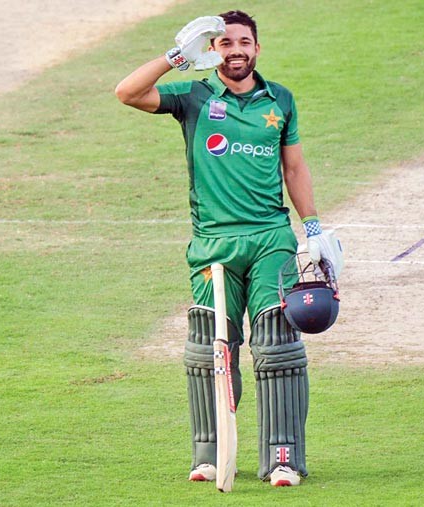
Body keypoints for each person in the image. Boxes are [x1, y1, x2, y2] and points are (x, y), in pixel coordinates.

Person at [115, 10, 338, 487]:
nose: (236, 50)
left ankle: (283, 458)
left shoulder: (280, 100)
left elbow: (294, 168)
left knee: (277, 345)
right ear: (212, 50)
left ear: (257, 48)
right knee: (209, 348)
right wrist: (175, 58)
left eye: (244, 42)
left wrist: (313, 228)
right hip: (213, 244)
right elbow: (127, 92)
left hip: (271, 240)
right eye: (225, 43)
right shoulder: (193, 96)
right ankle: (211, 455)